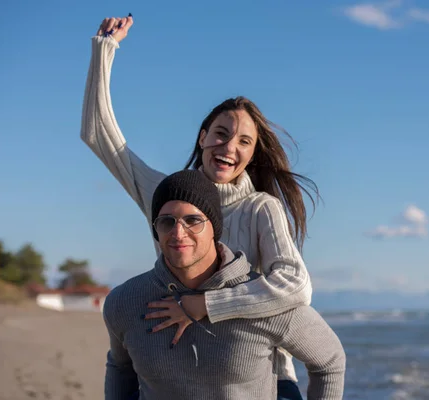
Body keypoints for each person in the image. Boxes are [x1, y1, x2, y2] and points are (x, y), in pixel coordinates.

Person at [82, 15, 322, 398]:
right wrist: (104, 49)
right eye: (222, 134)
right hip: (178, 367)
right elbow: (98, 135)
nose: (229, 147)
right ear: (203, 136)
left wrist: (206, 304)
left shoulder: (261, 209)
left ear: (251, 154)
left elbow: (296, 286)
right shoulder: (165, 192)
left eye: (244, 142)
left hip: (262, 377)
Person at [103, 170, 345, 400]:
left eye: (193, 220)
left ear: (214, 228)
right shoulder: (125, 301)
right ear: (156, 229)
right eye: (167, 222)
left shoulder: (262, 300)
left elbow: (329, 361)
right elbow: (119, 366)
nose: (178, 232)